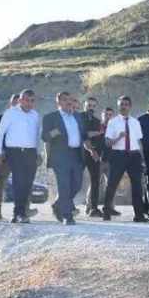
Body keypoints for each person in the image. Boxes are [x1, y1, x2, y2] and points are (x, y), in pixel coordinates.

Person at [0, 89, 42, 224]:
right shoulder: (10, 113)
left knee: (28, 183)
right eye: (26, 100)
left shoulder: (35, 115)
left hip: (31, 153)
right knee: (19, 181)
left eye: (32, 101)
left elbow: (37, 135)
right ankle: (19, 213)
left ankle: (19, 213)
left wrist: (38, 152)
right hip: (14, 152)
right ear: (20, 100)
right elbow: (0, 133)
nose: (29, 103)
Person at [42, 91, 85, 225]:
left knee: (77, 184)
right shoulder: (50, 117)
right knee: (64, 186)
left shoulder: (78, 117)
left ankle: (57, 205)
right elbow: (44, 137)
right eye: (65, 99)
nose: (68, 102)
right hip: (60, 156)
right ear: (58, 102)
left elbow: (83, 136)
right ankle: (67, 215)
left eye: (70, 99)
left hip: (77, 154)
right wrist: (52, 133)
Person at [104, 96, 149, 223]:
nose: (123, 106)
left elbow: (138, 141)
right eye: (121, 104)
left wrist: (142, 158)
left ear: (130, 106)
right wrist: (118, 138)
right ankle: (107, 211)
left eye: (126, 104)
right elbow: (107, 142)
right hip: (119, 155)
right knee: (112, 183)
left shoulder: (135, 122)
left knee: (137, 185)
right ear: (118, 106)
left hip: (134, 156)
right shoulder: (113, 122)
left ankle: (139, 215)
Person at [0, 93, 21, 220]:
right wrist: (0, 152)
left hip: (20, 155)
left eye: (19, 102)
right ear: (10, 103)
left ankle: (21, 211)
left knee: (22, 183)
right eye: (14, 102)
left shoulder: (24, 118)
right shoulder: (1, 117)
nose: (16, 104)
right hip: (3, 156)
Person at [81, 97, 107, 218]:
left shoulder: (97, 122)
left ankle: (93, 208)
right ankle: (67, 206)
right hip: (79, 153)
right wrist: (88, 134)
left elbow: (100, 139)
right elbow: (80, 135)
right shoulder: (78, 118)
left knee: (96, 180)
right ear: (84, 105)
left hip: (94, 154)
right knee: (74, 180)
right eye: (89, 105)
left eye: (93, 106)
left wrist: (97, 153)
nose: (91, 108)